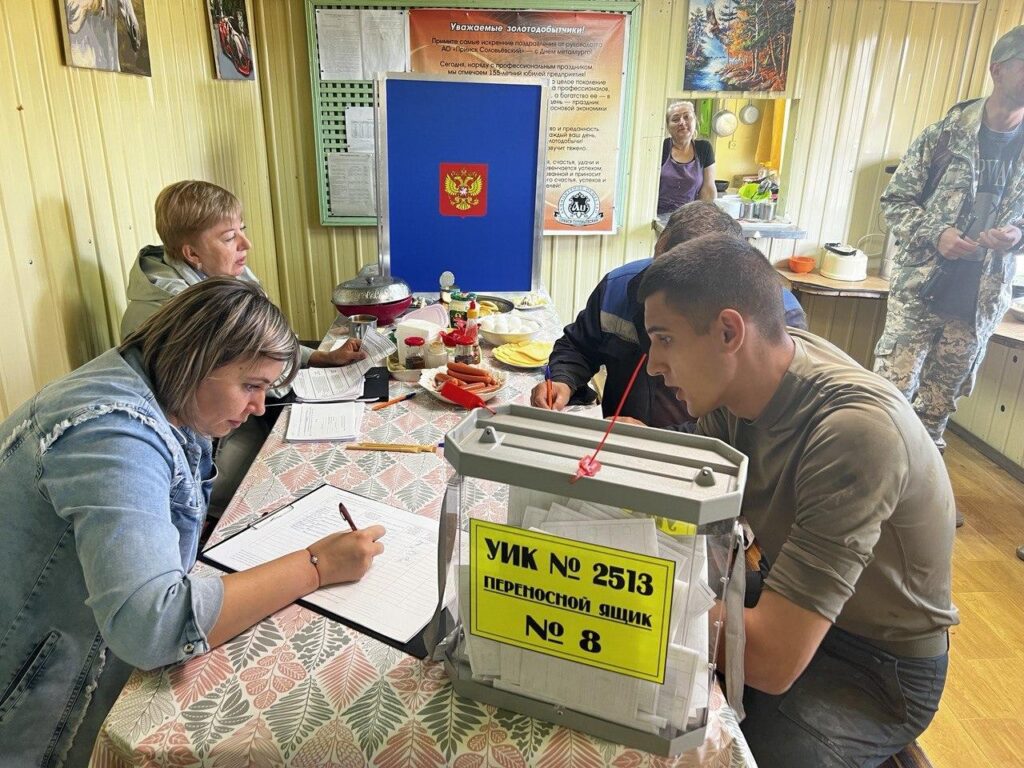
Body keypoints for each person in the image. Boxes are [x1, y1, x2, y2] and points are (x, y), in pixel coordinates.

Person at [0, 278, 386, 767]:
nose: (259, 407)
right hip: (35, 694)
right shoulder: (112, 436)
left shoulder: (160, 382)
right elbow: (151, 627)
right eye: (251, 386)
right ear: (196, 361)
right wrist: (316, 565)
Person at [639, 233, 957, 766]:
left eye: (664, 339)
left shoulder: (854, 431)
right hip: (788, 600)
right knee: (645, 689)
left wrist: (625, 591)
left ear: (728, 332)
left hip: (878, 664)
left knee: (738, 752)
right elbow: (688, 503)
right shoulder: (743, 382)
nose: (652, 364)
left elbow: (769, 659)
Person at [122, 180, 366, 511]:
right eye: (228, 237)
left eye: (243, 230)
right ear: (192, 253)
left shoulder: (221, 274)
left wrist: (317, 357)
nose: (245, 244)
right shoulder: (181, 315)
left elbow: (260, 345)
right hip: (209, 440)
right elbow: (196, 417)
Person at [873, 26, 1024, 530]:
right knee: (890, 398)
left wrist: (1016, 236)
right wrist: (936, 233)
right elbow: (894, 201)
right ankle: (868, 495)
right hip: (922, 291)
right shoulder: (945, 134)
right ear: (998, 69)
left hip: (977, 302)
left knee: (938, 407)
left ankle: (922, 509)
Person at [531, 200, 807, 427]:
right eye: (658, 269)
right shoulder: (617, 287)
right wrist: (563, 380)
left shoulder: (777, 320)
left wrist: (658, 439)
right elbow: (578, 346)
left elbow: (747, 429)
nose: (654, 365)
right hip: (619, 445)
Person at [657, 101, 717, 216]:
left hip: (690, 216)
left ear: (695, 121)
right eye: (675, 119)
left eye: (687, 117)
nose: (682, 122)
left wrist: (702, 216)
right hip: (659, 215)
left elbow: (708, 189)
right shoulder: (661, 147)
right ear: (668, 127)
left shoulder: (704, 148)